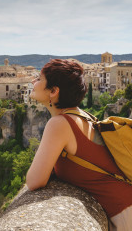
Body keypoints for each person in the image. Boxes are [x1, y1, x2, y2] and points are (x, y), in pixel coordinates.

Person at [26, 59, 132, 231]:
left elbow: (34, 181)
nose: (33, 81)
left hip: (125, 214)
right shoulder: (83, 115)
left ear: (53, 91)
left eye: (38, 79)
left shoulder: (59, 124)